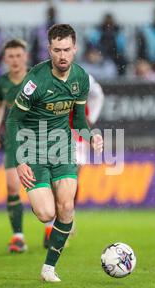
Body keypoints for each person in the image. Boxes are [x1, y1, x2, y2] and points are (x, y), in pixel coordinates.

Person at [6, 24, 103, 282]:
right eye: (57, 50)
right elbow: (13, 120)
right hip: (33, 149)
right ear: (49, 49)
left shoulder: (80, 78)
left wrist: (92, 135)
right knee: (47, 214)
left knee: (67, 207)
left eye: (67, 49)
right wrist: (19, 161)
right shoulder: (35, 80)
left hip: (62, 148)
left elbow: (80, 120)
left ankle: (49, 268)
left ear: (75, 49)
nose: (62, 55)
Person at [43, 74, 105, 248]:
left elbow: (98, 94)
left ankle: (65, 219)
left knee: (71, 179)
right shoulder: (45, 75)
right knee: (52, 182)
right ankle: (52, 226)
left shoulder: (84, 77)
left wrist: (90, 118)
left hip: (76, 135)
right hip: (52, 134)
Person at [0, 39, 29, 253]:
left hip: (39, 138)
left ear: (26, 57)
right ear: (5, 59)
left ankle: (51, 228)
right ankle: (18, 236)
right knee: (13, 187)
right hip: (14, 139)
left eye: (18, 55)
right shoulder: (2, 83)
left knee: (47, 186)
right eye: (10, 56)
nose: (14, 60)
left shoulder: (37, 78)